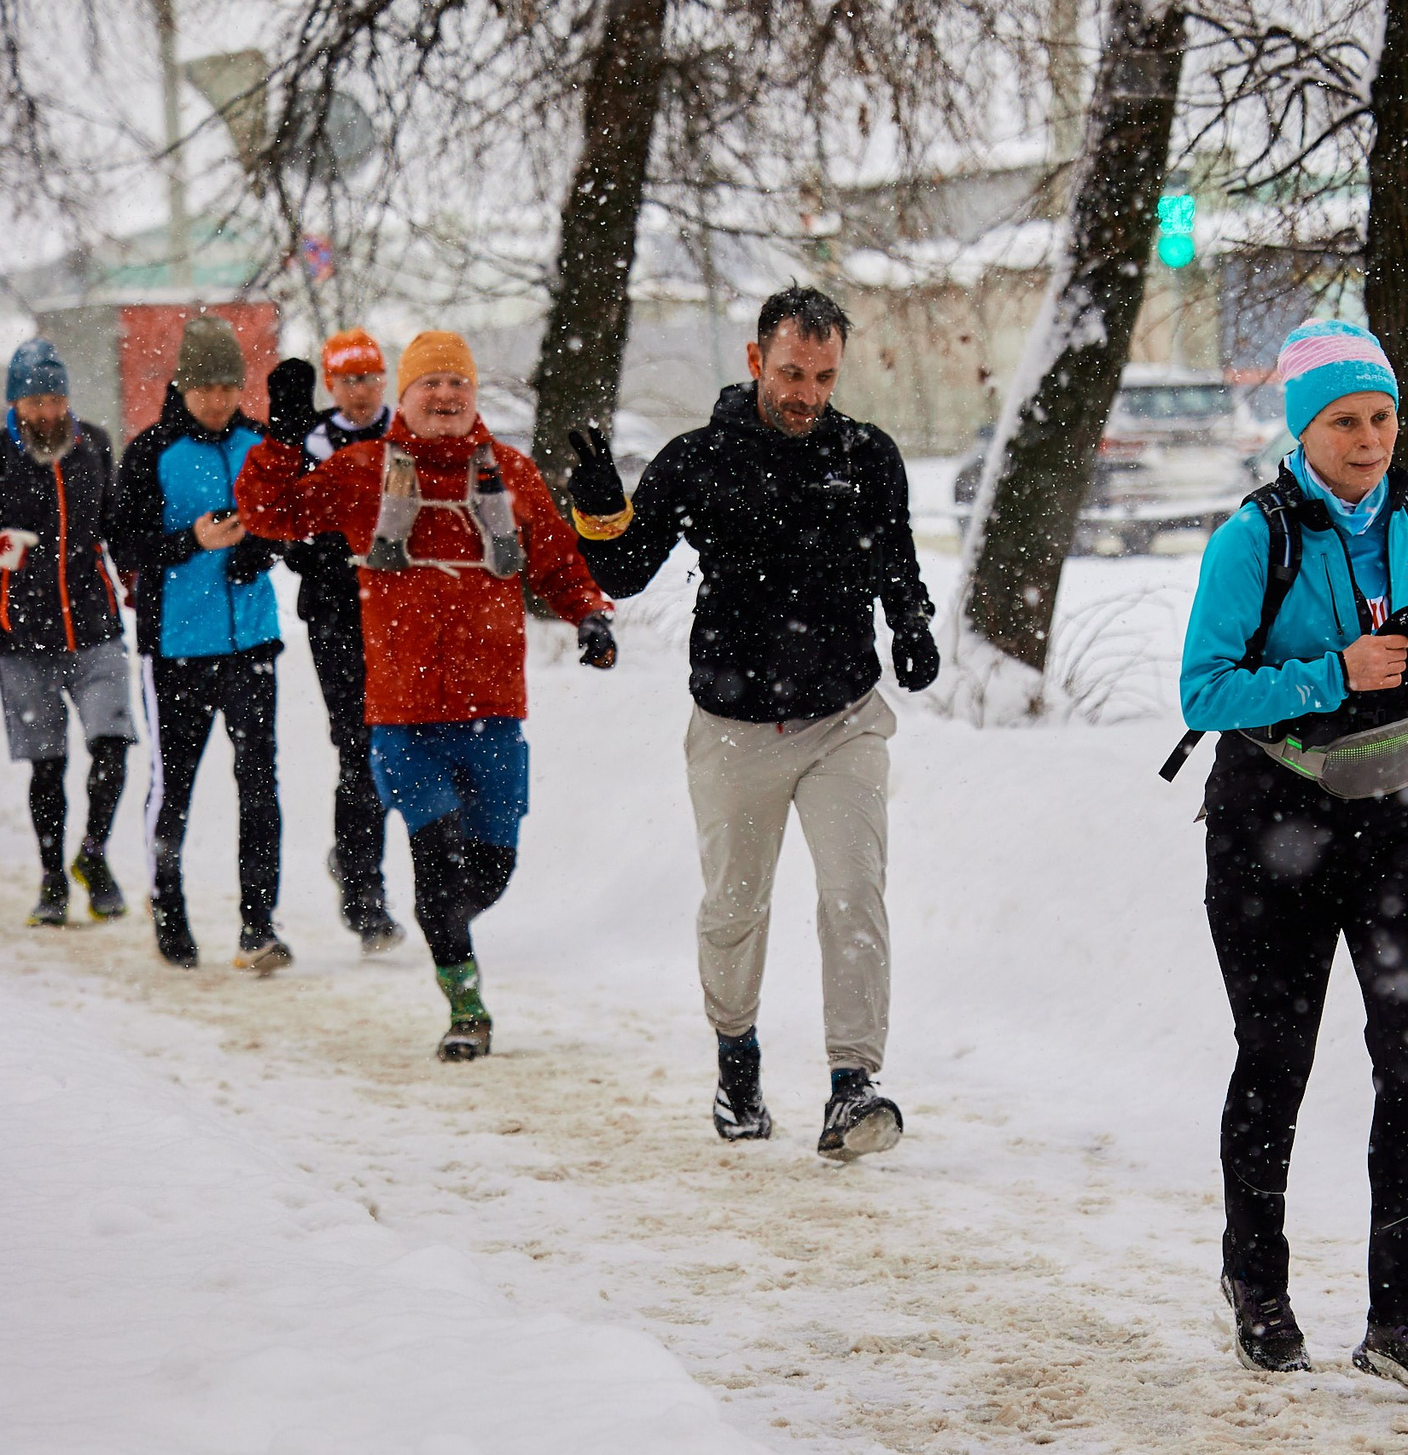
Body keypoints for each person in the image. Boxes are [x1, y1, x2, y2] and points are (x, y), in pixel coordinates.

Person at [1176, 318, 1408, 1394]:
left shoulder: (1404, 518)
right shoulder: (1251, 538)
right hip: (1272, 828)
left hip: (1396, 817)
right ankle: (1256, 1284)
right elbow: (1203, 692)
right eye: (1344, 421)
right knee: (1277, 1058)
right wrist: (1332, 672)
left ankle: (1405, 1316)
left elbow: (1390, 653)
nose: (1368, 439)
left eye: (1381, 417)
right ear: (1303, 432)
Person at [567, 285, 936, 1159]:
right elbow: (621, 571)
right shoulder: (698, 460)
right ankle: (737, 1057)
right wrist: (594, 503)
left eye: (823, 375)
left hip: (844, 717)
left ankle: (854, 1084)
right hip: (732, 724)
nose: (807, 391)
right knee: (736, 906)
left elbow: (896, 553)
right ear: (754, 361)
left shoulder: (867, 455)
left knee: (854, 892)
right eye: (791, 372)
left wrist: (912, 620)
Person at [236, 331, 617, 1059]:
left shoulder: (509, 472)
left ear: (472, 396)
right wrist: (282, 436)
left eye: (457, 385)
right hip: (406, 718)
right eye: (428, 386)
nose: (444, 397)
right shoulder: (364, 471)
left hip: (496, 712)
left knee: (490, 870)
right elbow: (271, 512)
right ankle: (465, 1003)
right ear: (403, 398)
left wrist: (590, 614)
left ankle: (445, 924)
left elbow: (558, 561)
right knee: (435, 863)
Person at [110, 316, 290, 974]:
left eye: (227, 387)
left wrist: (259, 547)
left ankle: (258, 925)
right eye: (205, 387)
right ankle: (169, 908)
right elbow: (125, 545)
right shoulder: (150, 451)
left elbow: (287, 521)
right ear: (182, 385)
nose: (217, 400)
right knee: (173, 787)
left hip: (252, 644)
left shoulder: (260, 443)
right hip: (176, 648)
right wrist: (190, 541)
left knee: (259, 786)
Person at [0, 338, 135, 926]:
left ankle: (93, 855)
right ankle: (51, 880)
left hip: (95, 627)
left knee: (112, 748)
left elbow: (115, 523)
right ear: (16, 403)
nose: (49, 413)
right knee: (48, 765)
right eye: (37, 401)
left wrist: (135, 572)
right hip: (23, 637)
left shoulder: (93, 444)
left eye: (57, 398)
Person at [269, 330, 404, 951]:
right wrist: (329, 551)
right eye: (348, 380)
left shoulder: (406, 434)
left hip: (405, 615)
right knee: (358, 746)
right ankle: (363, 890)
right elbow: (287, 527)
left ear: (384, 380)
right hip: (336, 617)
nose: (360, 390)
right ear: (331, 385)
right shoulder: (310, 442)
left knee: (403, 747)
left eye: (369, 377)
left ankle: (365, 858)